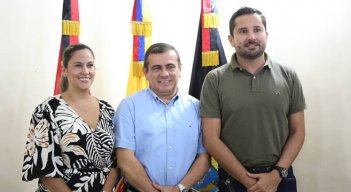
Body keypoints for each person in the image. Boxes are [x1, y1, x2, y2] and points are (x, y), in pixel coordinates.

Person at [200, 7, 306, 192]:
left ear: (266, 34)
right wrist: (249, 182)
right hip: (233, 179)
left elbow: (298, 131)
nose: (251, 36)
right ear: (231, 40)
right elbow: (210, 138)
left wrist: (277, 174)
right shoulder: (214, 79)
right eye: (243, 31)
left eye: (257, 30)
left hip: (280, 177)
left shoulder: (288, 75)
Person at [22, 43, 118, 192]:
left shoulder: (107, 109)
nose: (86, 71)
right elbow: (45, 168)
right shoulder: (47, 110)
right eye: (78, 65)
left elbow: (116, 161)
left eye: (90, 65)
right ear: (65, 70)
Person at [114, 42, 209, 192]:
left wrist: (178, 188)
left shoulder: (197, 107)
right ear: (145, 72)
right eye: (156, 68)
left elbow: (203, 158)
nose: (164, 73)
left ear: (180, 69)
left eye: (170, 67)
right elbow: (125, 159)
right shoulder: (129, 106)